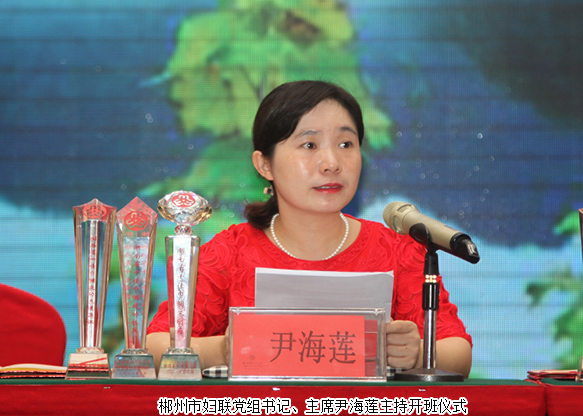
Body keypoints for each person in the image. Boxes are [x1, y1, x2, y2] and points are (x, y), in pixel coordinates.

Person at [146, 80, 472, 377]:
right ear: (264, 164)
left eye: (346, 144)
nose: (332, 163)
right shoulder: (229, 252)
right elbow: (154, 347)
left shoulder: (398, 250)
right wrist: (223, 349)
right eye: (310, 145)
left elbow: (458, 351)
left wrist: (417, 354)